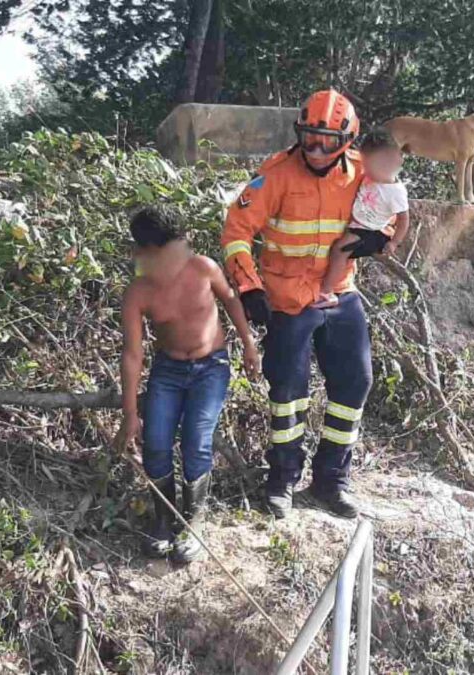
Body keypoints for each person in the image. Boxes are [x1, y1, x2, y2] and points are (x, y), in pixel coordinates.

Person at [221, 89, 387, 519]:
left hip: (339, 291)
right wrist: (249, 286)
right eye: (309, 138)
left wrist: (379, 238)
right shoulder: (275, 174)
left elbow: (388, 211)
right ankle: (282, 479)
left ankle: (331, 480)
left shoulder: (364, 174)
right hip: (287, 297)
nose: (316, 149)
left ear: (347, 140)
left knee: (355, 384)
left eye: (327, 141)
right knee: (289, 391)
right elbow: (236, 230)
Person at [116, 206, 261, 561]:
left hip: (211, 367)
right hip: (168, 371)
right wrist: (130, 414)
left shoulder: (203, 268)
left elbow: (230, 300)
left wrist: (248, 344)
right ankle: (164, 520)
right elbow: (133, 356)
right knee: (156, 443)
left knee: (196, 439)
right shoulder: (139, 293)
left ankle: (193, 520)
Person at [312, 128, 410, 308]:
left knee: (340, 249)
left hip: (371, 232)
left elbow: (404, 220)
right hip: (359, 225)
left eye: (370, 165)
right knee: (340, 249)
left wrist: (395, 242)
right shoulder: (371, 176)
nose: (366, 169)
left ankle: (326, 292)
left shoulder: (395, 192)